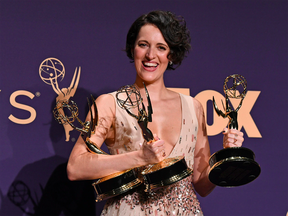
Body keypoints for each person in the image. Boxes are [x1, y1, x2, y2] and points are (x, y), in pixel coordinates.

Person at [67, 10, 244, 216]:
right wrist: (139, 157)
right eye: (143, 45)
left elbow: (201, 185)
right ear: (133, 49)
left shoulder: (193, 107)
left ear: (172, 55)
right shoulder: (109, 104)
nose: (151, 55)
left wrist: (226, 156)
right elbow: (75, 167)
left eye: (161, 47)